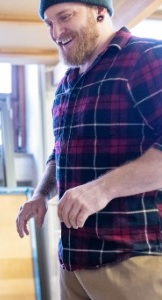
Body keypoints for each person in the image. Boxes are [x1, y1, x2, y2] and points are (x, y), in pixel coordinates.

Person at [16, 0, 162, 299]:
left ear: (100, 11)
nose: (56, 32)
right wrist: (41, 194)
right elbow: (62, 154)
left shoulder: (148, 57)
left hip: (132, 259)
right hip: (74, 261)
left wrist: (101, 190)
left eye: (65, 17)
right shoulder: (67, 84)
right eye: (48, 23)